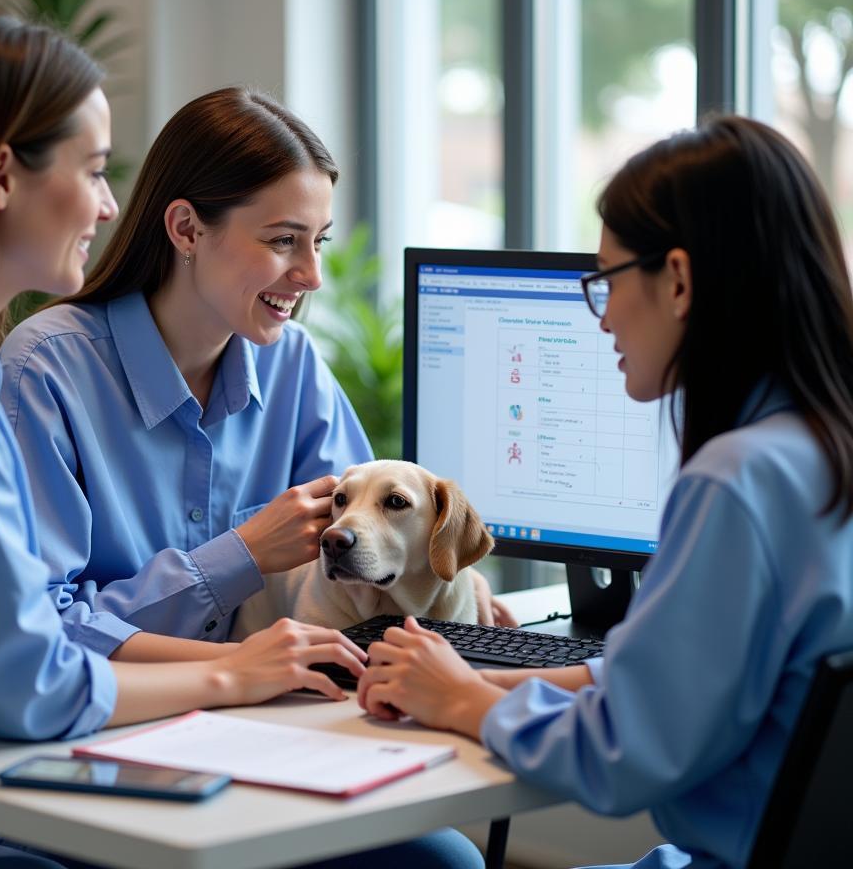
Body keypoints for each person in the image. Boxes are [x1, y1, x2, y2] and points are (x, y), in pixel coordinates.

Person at [0, 10, 375, 868]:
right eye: (91, 170)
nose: (111, 203)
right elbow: (30, 674)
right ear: (2, 175)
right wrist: (234, 671)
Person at [355, 115, 853, 869]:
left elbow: (623, 754)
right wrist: (472, 676)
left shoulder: (738, 481)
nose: (605, 314)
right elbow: (678, 680)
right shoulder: (822, 449)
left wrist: (461, 701)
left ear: (678, 281)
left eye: (607, 280)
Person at [0, 86, 511, 663]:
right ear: (187, 229)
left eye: (318, 242)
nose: (312, 275)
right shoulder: (46, 370)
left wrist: (452, 585)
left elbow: (364, 552)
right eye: (283, 241)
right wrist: (242, 557)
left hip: (268, 709)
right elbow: (35, 628)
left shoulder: (293, 363)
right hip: (105, 716)